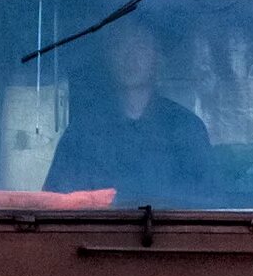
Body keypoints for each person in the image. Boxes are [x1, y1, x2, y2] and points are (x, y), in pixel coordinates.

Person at [40, 21, 219, 206]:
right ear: (107, 56)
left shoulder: (186, 128)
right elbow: (57, 205)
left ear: (158, 55)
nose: (130, 56)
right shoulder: (83, 131)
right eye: (119, 44)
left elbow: (208, 204)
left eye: (141, 45)